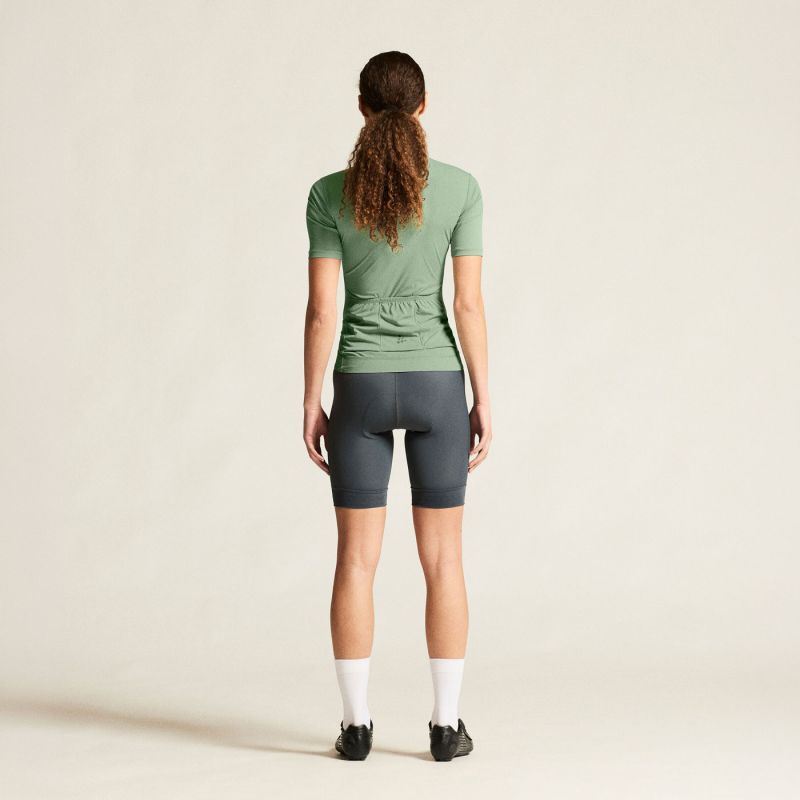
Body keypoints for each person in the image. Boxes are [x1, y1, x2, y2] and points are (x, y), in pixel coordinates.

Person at [302, 50, 491, 762]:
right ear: (423, 106)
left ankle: (355, 728)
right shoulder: (460, 189)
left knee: (356, 561)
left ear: (361, 108)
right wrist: (483, 395)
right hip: (438, 384)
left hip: (359, 385)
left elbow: (323, 310)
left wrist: (311, 399)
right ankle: (445, 727)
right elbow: (467, 305)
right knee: (444, 561)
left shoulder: (328, 194)